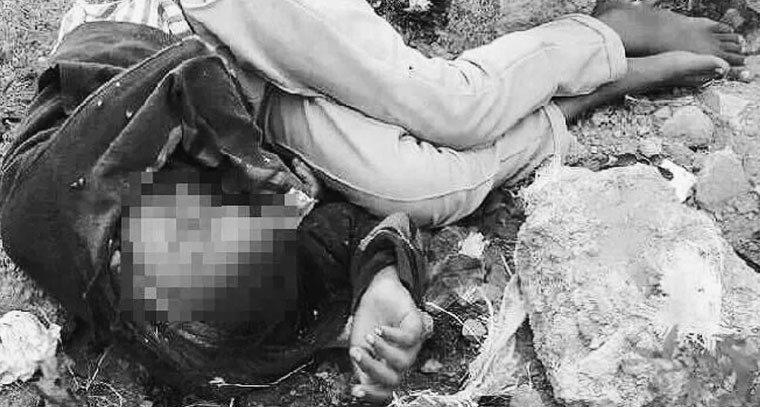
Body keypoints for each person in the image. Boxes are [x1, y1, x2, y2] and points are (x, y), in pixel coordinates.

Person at [2, 0, 753, 403]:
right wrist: (378, 282)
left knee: (451, 109)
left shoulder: (47, 203)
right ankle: (578, 100)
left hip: (186, 25)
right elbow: (340, 232)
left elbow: (173, 87)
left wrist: (275, 186)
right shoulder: (219, 306)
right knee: (426, 190)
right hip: (242, 105)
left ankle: (598, 33)